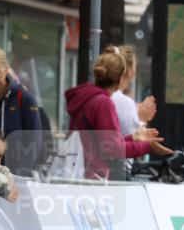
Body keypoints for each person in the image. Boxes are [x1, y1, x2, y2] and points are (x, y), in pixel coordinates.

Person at [64, 51, 164, 179]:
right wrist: (147, 146)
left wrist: (133, 137)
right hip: (94, 178)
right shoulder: (104, 103)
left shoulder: (86, 98)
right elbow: (111, 149)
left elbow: (101, 142)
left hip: (80, 171)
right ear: (121, 78)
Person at [0, 45, 43, 173]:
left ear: (7, 70)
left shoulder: (24, 99)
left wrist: (18, 174)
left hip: (11, 178)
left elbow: (34, 143)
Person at [106, 44, 161, 175]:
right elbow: (130, 140)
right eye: (135, 65)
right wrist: (142, 118)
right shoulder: (124, 102)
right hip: (115, 171)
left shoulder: (106, 97)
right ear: (129, 70)